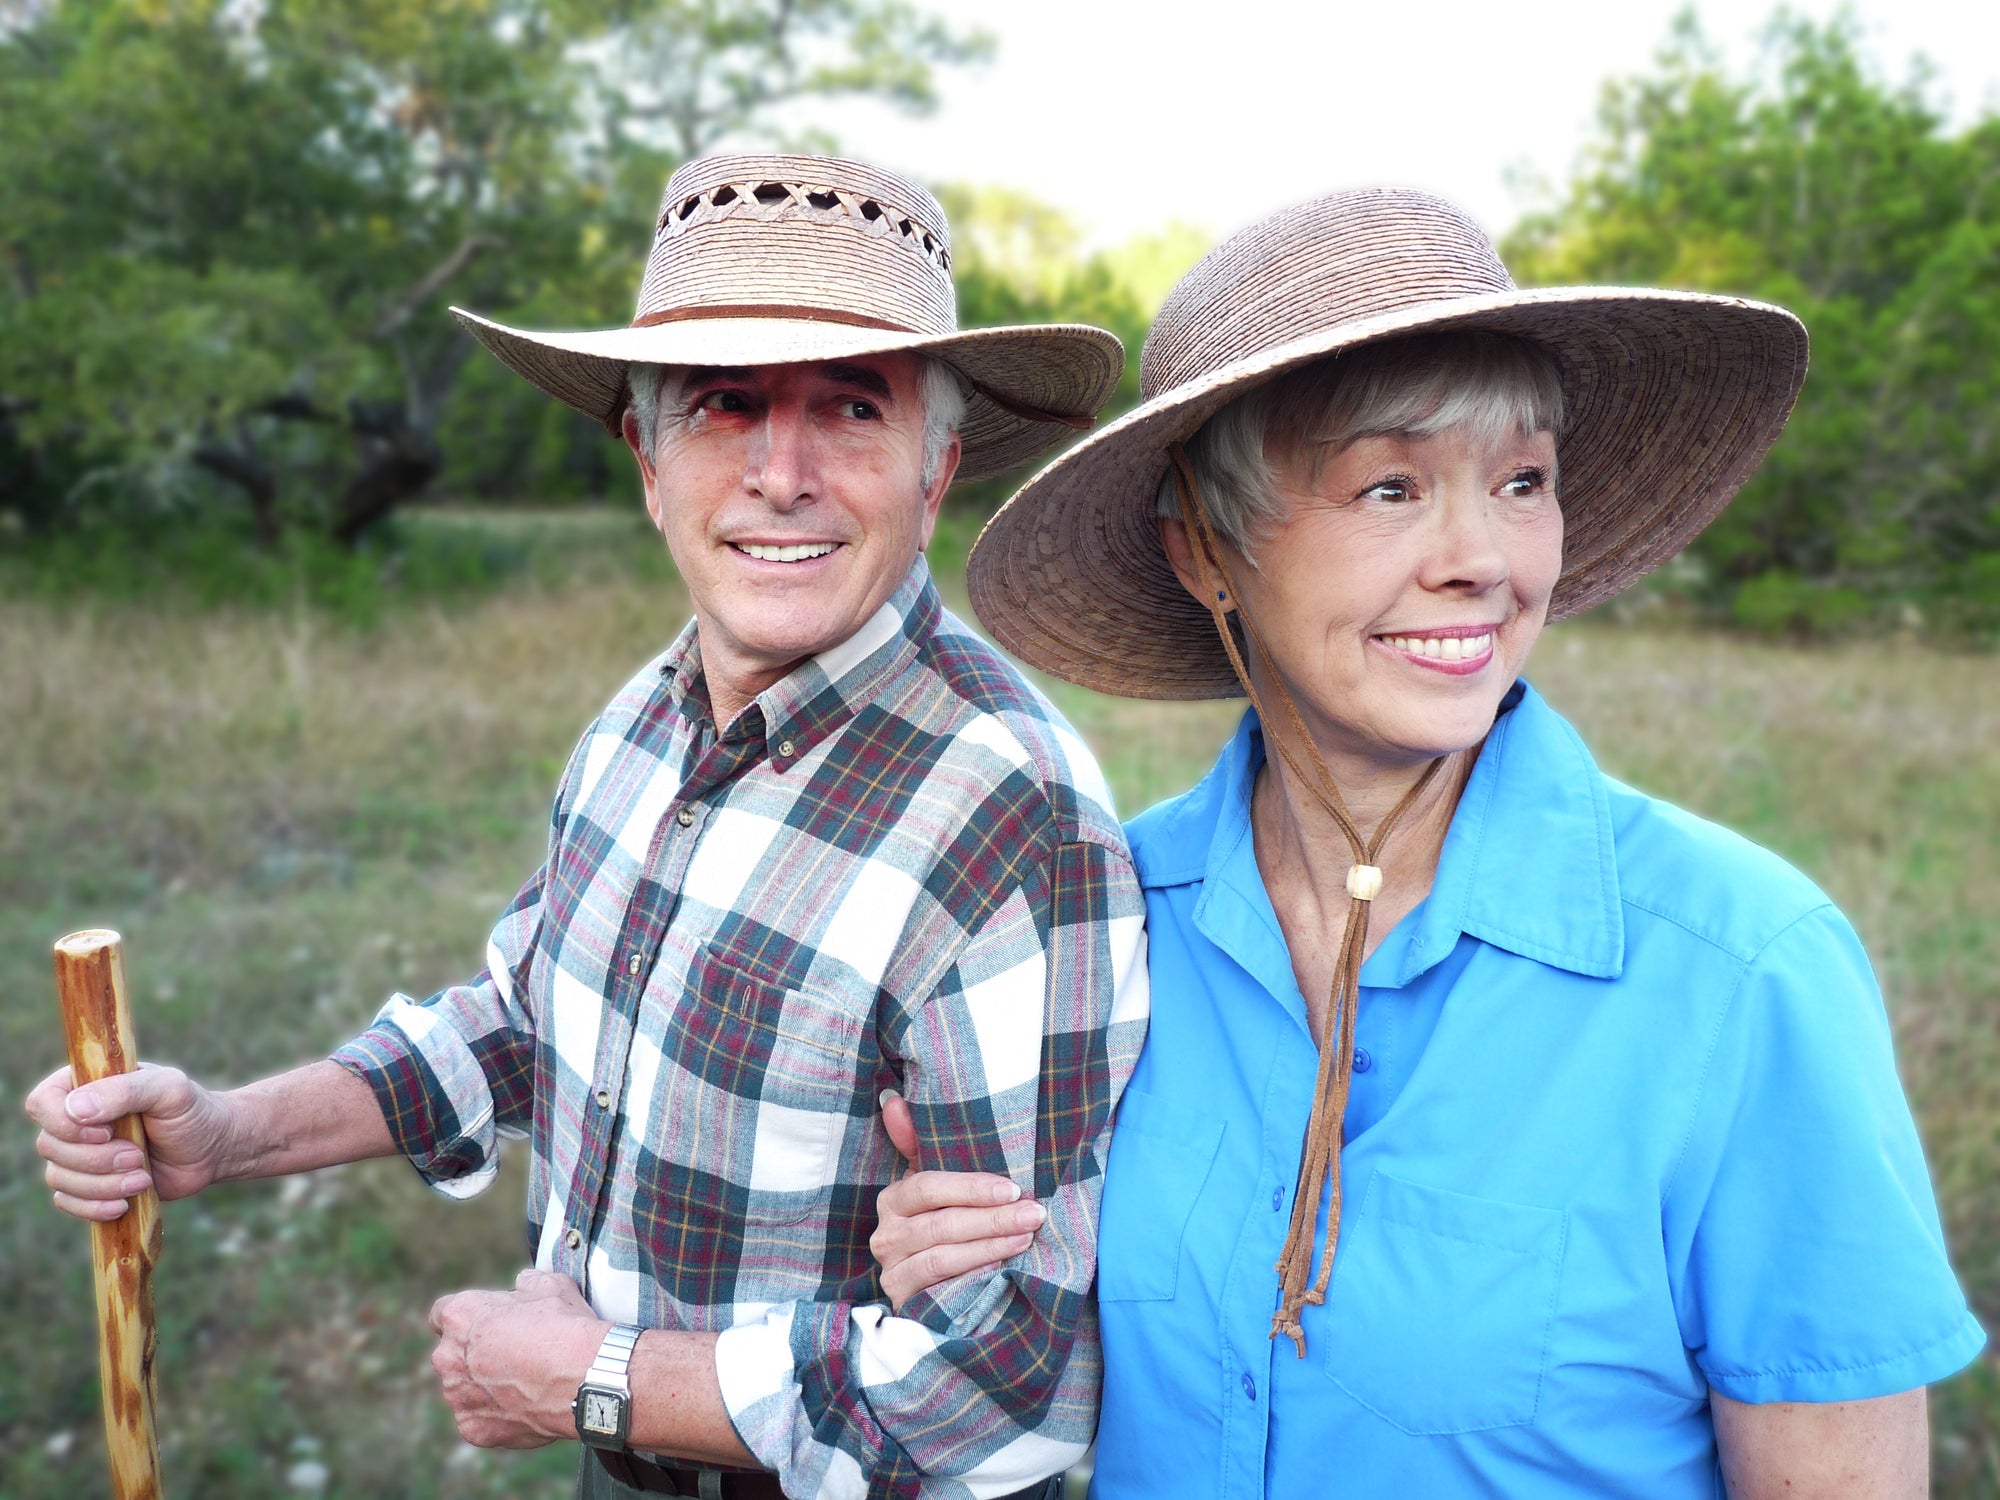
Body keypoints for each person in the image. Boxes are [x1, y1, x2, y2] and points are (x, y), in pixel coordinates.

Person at [26, 153, 1151, 1500]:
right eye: (725, 407)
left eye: (852, 407)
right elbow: (524, 1019)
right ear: (648, 459)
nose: (780, 473)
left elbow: (1011, 1392)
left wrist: (590, 1378)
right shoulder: (643, 716)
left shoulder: (1009, 813)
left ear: (937, 464)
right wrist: (224, 1135)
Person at [868, 188, 1983, 1498]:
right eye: (1389, 486)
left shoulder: (1743, 972)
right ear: (1204, 549)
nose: (1484, 559)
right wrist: (962, 1265)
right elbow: (1047, 1366)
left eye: (1523, 482)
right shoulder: (1103, 918)